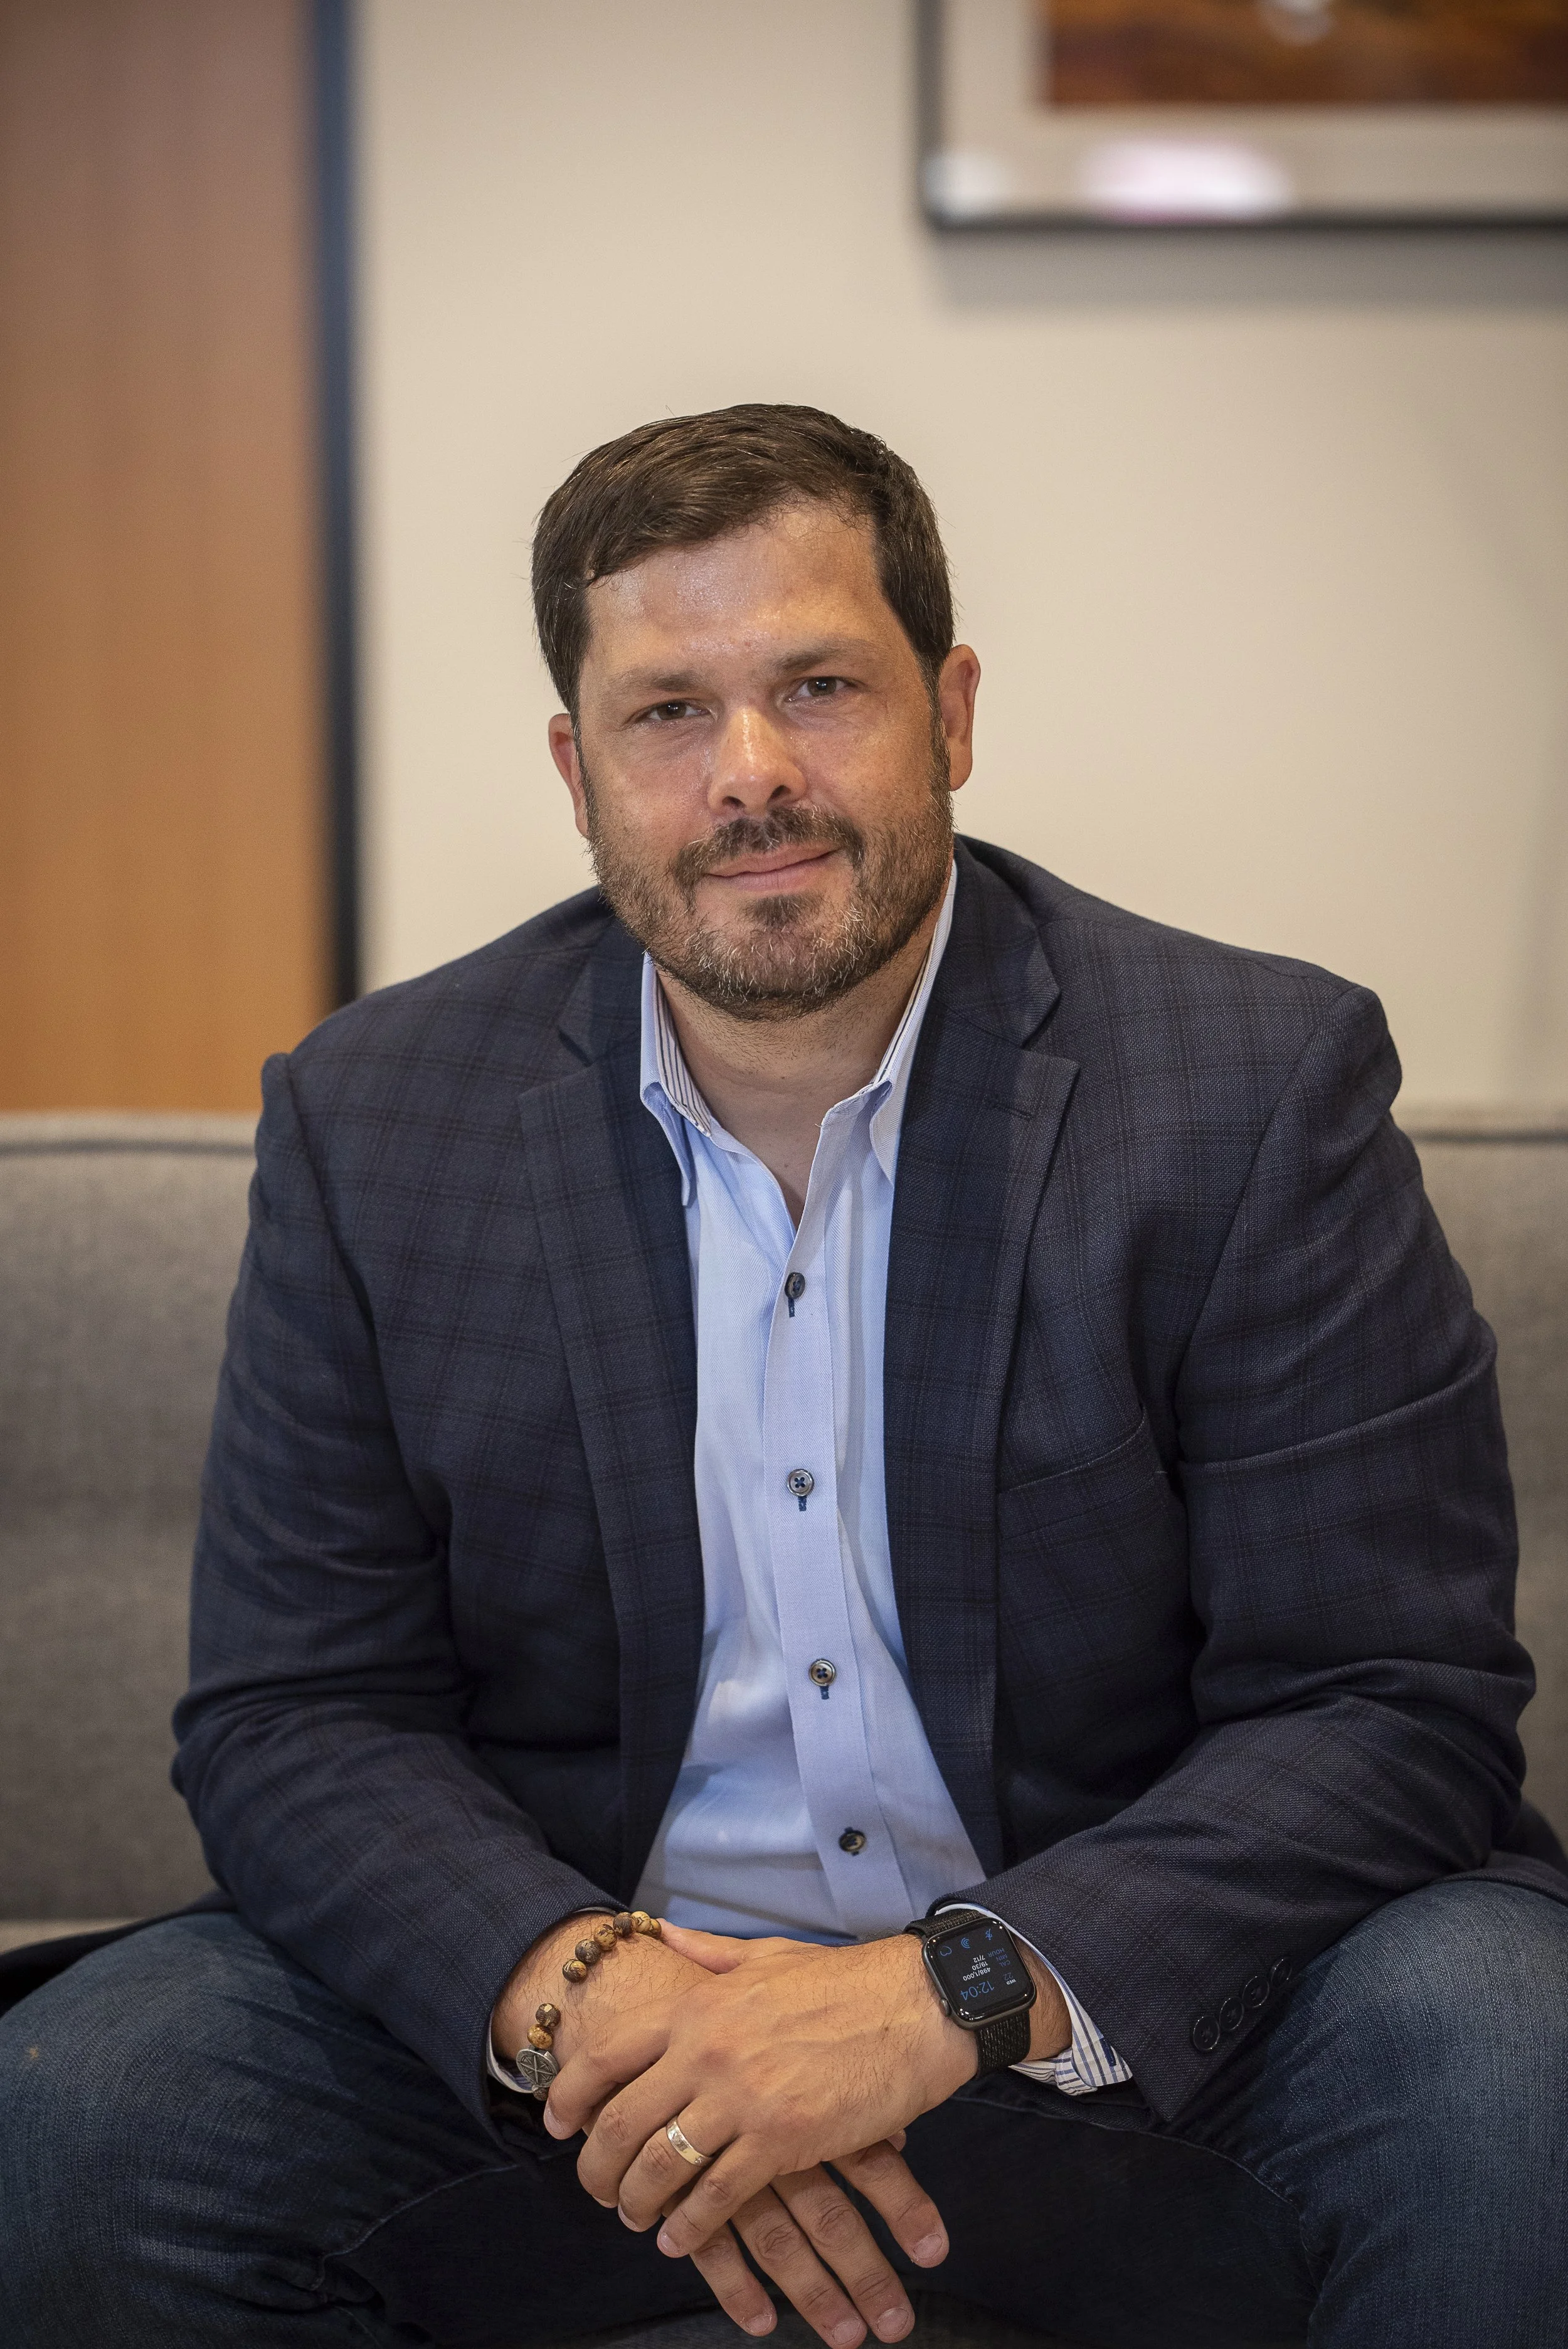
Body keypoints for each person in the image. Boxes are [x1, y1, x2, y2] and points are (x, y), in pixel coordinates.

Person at [3, 403, 1565, 2349]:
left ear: (952, 711)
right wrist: (609, 2001)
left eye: (818, 686)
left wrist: (932, 2002)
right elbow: (297, 1712)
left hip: (1136, 2020)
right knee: (84, 2122)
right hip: (601, 2047)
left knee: (1519, 2072)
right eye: (667, 712)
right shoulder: (377, 1118)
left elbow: (1384, 1701)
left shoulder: (1246, 1092)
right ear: (578, 772)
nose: (751, 776)